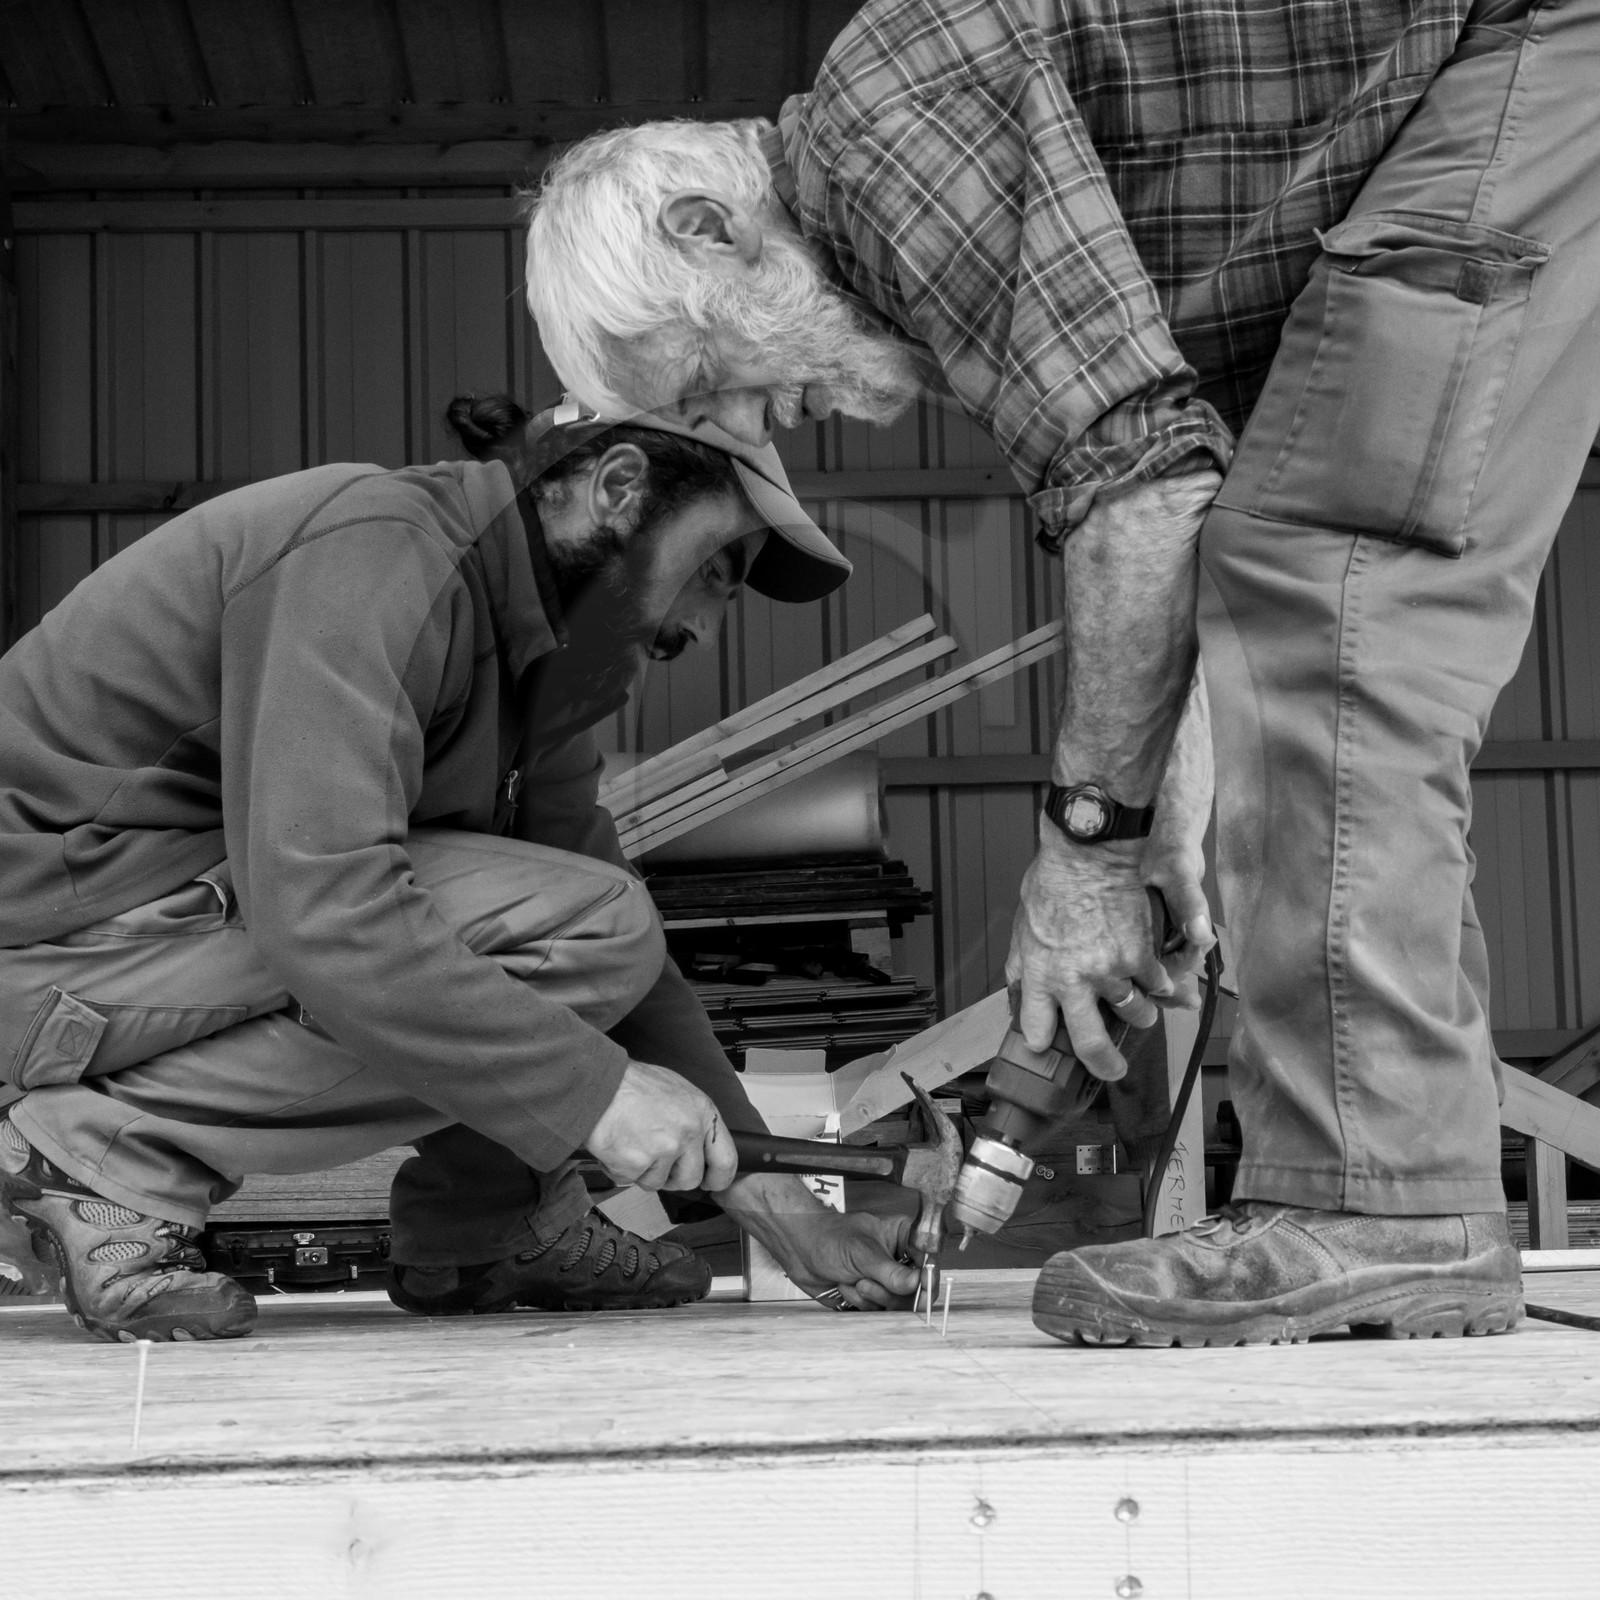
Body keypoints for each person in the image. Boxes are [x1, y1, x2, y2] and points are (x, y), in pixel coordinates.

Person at [519, 0, 1600, 1344]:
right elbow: (1204, 497)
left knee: (1340, 595)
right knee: (1298, 571)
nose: (744, 431)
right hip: (1496, 73)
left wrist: (1086, 860)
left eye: (700, 385)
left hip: (1527, 48)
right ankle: (1391, 1189)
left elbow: (1140, 494)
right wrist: (1176, 820)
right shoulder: (921, 215)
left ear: (706, 229)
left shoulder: (884, 130)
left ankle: (1385, 1206)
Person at [0, 395, 918, 1343]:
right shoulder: (375, 553)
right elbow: (325, 907)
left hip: (134, 953)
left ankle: (488, 1228)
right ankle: (105, 1159)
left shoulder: (535, 662)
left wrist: (783, 1207)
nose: (707, 627)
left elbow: (627, 965)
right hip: (41, 964)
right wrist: (598, 1095)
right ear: (617, 488)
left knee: (591, 923)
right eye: (714, 571)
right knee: (568, 927)